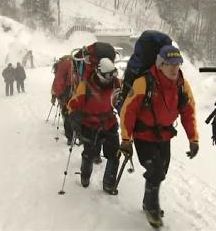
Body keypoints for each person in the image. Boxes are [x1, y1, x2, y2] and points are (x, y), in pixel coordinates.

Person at [118, 45, 199, 227]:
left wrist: (193, 139)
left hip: (164, 136)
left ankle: (148, 201)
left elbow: (189, 112)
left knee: (161, 172)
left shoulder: (182, 85)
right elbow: (128, 112)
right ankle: (152, 208)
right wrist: (125, 139)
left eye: (178, 64)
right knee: (155, 171)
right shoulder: (144, 83)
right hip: (143, 135)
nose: (174, 68)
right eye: (170, 64)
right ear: (160, 64)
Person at [67, 57, 121, 193]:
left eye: (113, 74)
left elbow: (121, 102)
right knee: (89, 153)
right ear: (98, 73)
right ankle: (85, 176)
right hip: (89, 125)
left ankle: (109, 183)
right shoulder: (85, 86)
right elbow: (73, 104)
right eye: (108, 75)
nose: (111, 78)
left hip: (109, 123)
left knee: (114, 155)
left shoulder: (116, 83)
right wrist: (74, 116)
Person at [51, 55, 78, 145]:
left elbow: (57, 82)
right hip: (73, 94)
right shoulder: (74, 65)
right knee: (74, 115)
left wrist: (55, 96)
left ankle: (70, 137)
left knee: (66, 115)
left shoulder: (61, 66)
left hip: (64, 95)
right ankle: (75, 135)